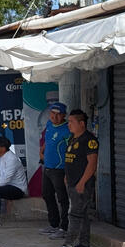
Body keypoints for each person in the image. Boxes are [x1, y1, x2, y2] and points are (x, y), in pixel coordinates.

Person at [54, 108, 98, 247]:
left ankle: (69, 245)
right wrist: (67, 177)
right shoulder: (73, 138)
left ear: (82, 124)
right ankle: (84, 245)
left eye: (72, 122)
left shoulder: (89, 140)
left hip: (82, 184)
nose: (69, 124)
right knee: (82, 214)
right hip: (72, 183)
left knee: (75, 214)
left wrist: (82, 182)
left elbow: (92, 164)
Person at [39, 102, 72, 238]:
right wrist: (42, 151)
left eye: (58, 114)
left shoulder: (67, 129)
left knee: (63, 199)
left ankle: (64, 228)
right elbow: (47, 140)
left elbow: (71, 149)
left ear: (64, 115)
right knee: (47, 195)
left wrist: (68, 171)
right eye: (53, 113)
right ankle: (53, 224)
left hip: (60, 169)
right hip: (48, 167)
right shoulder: (49, 124)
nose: (55, 116)